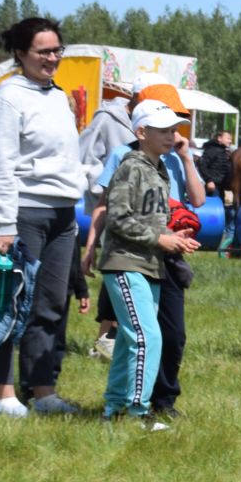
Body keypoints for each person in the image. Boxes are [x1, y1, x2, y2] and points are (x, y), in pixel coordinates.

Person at [0, 18, 87, 418]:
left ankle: (43, 392)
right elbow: (0, 164)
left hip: (63, 213)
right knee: (9, 304)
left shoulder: (58, 97)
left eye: (57, 50)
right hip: (24, 212)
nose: (52, 58)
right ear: (20, 53)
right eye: (43, 51)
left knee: (50, 305)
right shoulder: (8, 97)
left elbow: (65, 158)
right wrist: (5, 223)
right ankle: (4, 394)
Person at [87, 83, 206, 418]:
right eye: (163, 130)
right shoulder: (129, 166)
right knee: (146, 337)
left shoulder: (161, 169)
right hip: (127, 263)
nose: (171, 136)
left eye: (174, 130)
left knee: (129, 341)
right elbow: (118, 218)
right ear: (141, 131)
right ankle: (137, 411)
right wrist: (160, 239)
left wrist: (175, 233)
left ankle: (114, 407)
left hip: (149, 264)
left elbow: (154, 216)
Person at [197, 128, 234, 203]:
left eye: (231, 139)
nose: (230, 141)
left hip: (221, 186)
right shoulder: (212, 150)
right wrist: (209, 180)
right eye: (228, 138)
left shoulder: (224, 152)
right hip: (213, 187)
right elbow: (202, 165)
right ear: (219, 138)